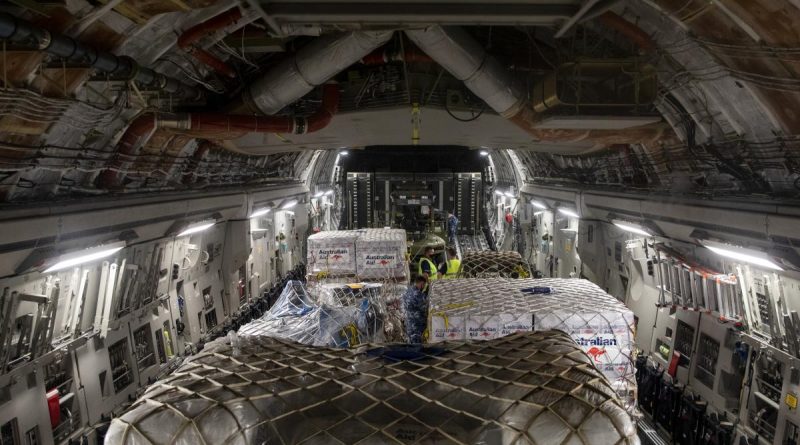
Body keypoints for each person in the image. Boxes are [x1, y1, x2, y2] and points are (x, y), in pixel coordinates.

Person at [403, 276, 428, 343]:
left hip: (409, 321)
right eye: (423, 285)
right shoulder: (417, 294)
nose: (423, 287)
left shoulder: (407, 291)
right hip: (417, 323)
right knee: (417, 342)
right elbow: (424, 308)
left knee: (410, 341)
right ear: (421, 283)